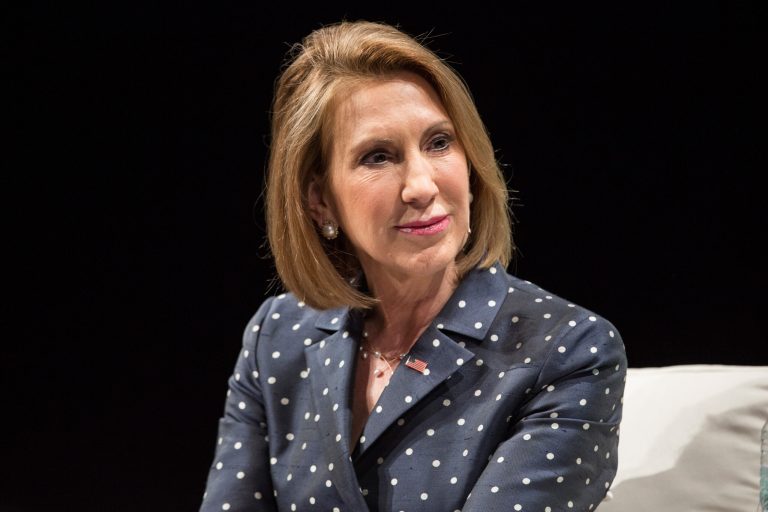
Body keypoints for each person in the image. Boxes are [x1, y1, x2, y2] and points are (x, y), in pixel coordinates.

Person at [199, 19, 627, 512]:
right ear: (320, 202)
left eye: (439, 143)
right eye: (378, 156)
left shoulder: (568, 351)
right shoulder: (276, 337)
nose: (422, 185)